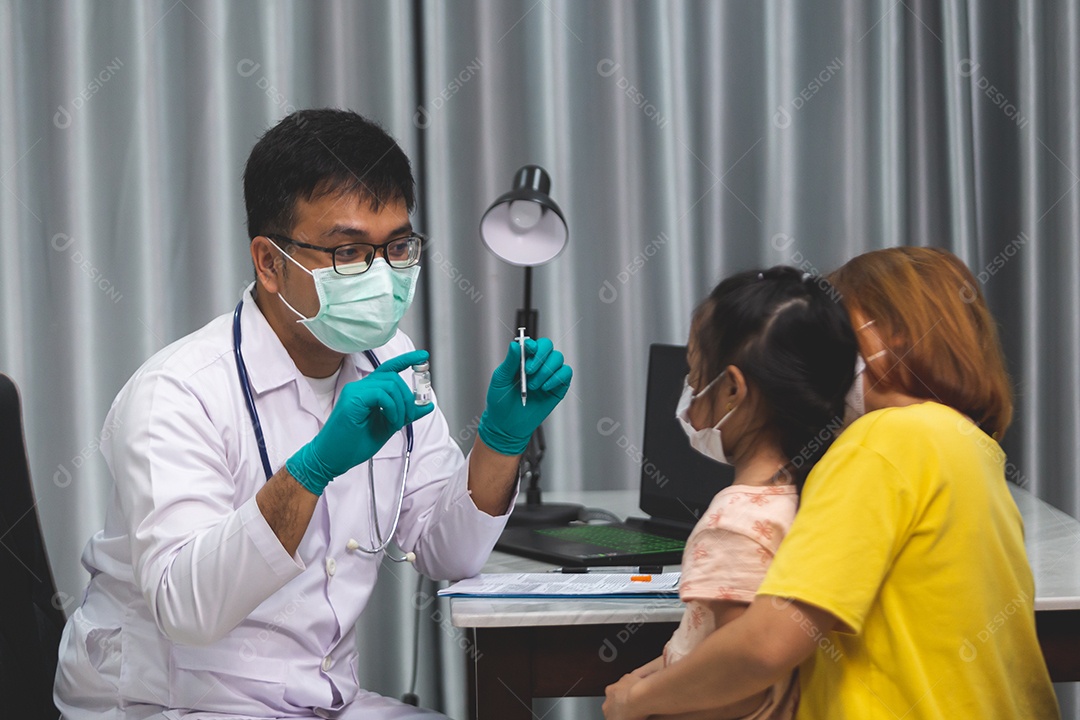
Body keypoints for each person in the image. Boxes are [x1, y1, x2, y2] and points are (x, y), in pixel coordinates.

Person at [54, 108, 573, 720]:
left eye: (398, 246)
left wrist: (501, 439)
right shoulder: (177, 392)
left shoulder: (391, 358)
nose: (381, 275)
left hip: (320, 701)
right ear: (271, 264)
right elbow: (187, 609)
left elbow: (446, 553)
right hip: (172, 703)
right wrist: (315, 467)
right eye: (349, 251)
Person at [604, 247, 1059, 720]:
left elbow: (765, 646)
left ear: (895, 330)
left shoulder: (884, 441)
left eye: (839, 327)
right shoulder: (967, 443)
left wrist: (635, 701)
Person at [645, 267, 855, 719]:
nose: (690, 391)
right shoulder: (815, 498)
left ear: (733, 390)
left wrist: (643, 706)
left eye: (695, 372)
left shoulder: (733, 524)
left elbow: (738, 686)